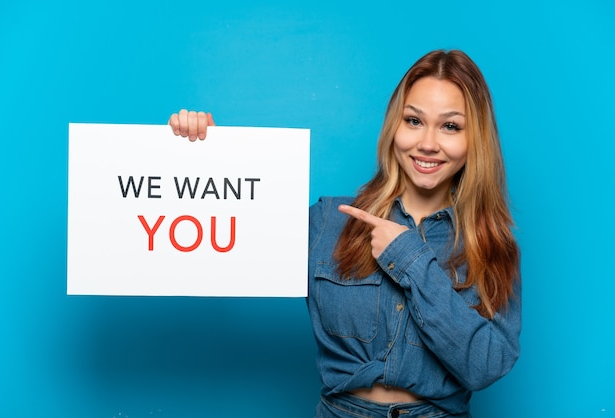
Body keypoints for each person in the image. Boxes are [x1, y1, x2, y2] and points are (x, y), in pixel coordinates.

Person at [168, 49, 521, 418]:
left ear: (474, 139)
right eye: (414, 120)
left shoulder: (492, 244)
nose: (428, 142)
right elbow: (224, 243)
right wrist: (202, 155)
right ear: (394, 127)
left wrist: (411, 259)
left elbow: (487, 366)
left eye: (450, 126)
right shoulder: (327, 222)